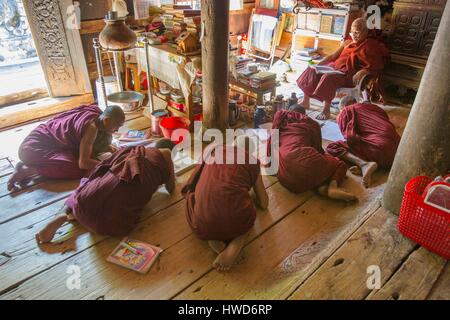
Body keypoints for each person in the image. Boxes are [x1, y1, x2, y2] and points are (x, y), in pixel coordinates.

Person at [35, 139, 176, 243]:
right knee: (136, 198)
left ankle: (66, 215)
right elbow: (171, 189)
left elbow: (99, 170)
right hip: (114, 225)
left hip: (84, 204)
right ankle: (80, 218)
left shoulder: (132, 151)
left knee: (88, 184)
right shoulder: (167, 153)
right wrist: (171, 171)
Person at [182, 141, 269, 272]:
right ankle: (238, 240)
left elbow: (193, 181)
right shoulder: (252, 162)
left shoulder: (214, 151)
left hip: (204, 220)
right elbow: (264, 203)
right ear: (249, 153)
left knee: (193, 199)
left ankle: (212, 237)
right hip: (236, 220)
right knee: (246, 214)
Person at [7, 104, 125, 191]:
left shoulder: (97, 113)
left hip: (50, 143)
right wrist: (110, 166)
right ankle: (28, 170)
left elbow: (97, 138)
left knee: (102, 144)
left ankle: (33, 164)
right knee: (77, 170)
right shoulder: (92, 128)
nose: (117, 130)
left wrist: (107, 147)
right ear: (107, 120)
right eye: (117, 126)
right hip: (32, 148)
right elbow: (83, 163)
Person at [296, 18, 389, 120]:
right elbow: (332, 56)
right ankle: (306, 101)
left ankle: (326, 110)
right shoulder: (347, 43)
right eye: (352, 32)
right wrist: (318, 65)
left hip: (348, 75)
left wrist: (363, 71)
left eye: (357, 32)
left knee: (328, 77)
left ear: (365, 32)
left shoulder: (370, 45)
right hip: (334, 69)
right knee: (311, 70)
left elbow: (376, 65)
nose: (354, 35)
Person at [269, 104, 357, 202]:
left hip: (286, 181)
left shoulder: (281, 118)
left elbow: (271, 142)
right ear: (304, 115)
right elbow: (318, 149)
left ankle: (321, 189)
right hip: (308, 161)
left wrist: (270, 165)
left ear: (289, 111)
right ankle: (333, 187)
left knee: (302, 169)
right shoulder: (311, 123)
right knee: (338, 164)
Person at [326, 94, 401, 188]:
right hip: (399, 150)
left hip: (380, 150)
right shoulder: (374, 107)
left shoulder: (346, 111)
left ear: (343, 106)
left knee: (332, 147)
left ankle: (364, 164)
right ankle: (369, 164)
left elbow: (351, 137)